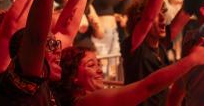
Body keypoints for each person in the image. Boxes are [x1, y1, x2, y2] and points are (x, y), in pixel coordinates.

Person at [57, 43, 204, 106]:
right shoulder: (86, 102)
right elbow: (148, 87)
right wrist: (192, 59)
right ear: (73, 76)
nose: (100, 70)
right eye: (91, 65)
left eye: (99, 64)